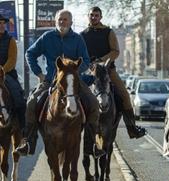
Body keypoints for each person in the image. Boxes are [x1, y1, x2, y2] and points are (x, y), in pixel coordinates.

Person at [15, 9, 104, 157]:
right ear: (55, 21)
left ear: (71, 22)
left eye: (65, 19)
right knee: (31, 103)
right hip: (50, 80)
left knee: (94, 103)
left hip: (74, 81)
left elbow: (86, 61)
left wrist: (74, 71)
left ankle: (92, 145)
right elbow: (30, 53)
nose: (62, 22)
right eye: (60, 19)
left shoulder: (77, 39)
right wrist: (38, 73)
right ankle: (29, 142)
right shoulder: (47, 37)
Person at [81, 6, 145, 139]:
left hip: (108, 70)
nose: (94, 17)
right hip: (89, 71)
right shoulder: (82, 35)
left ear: (101, 17)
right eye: (91, 15)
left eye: (96, 15)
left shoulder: (109, 32)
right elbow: (81, 55)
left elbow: (115, 51)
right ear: (88, 16)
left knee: (124, 95)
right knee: (73, 93)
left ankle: (131, 128)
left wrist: (101, 60)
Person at [0, 14, 26, 131]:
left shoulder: (10, 41)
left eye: (2, 23)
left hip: (7, 73)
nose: (1, 25)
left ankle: (23, 131)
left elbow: (12, 60)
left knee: (18, 99)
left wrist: (2, 71)